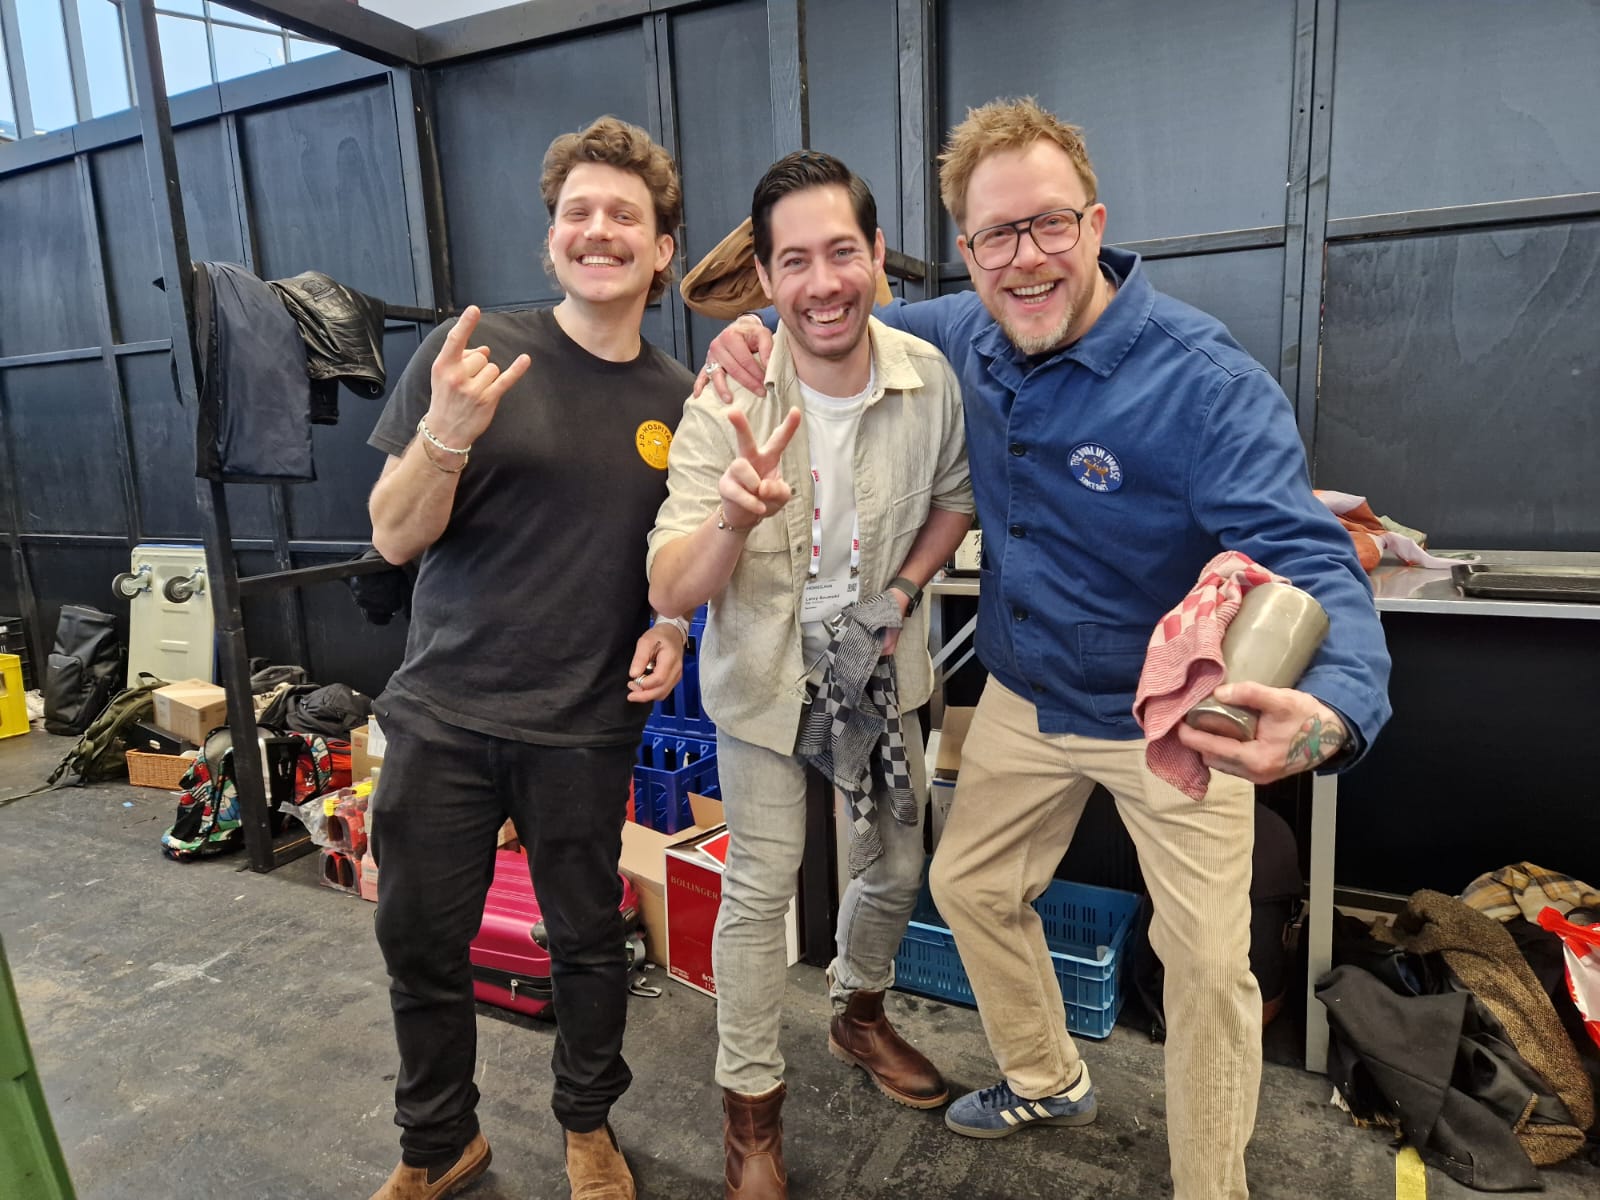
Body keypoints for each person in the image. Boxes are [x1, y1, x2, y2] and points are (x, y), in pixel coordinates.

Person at [698, 99, 1392, 1200]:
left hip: (1165, 718)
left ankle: (1211, 1188)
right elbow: (836, 313)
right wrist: (753, 334)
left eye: (1049, 225)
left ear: (1094, 223)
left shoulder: (1202, 382)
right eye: (996, 237)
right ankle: (1046, 1076)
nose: (1024, 259)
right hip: (1025, 698)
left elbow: (1307, 551)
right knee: (969, 883)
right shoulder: (965, 328)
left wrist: (1339, 704)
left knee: (1208, 968)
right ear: (965, 252)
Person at [364, 116, 696, 1200]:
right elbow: (392, 536)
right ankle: (437, 1142)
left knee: (588, 942)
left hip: (585, 726)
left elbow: (681, 552)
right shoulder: (472, 355)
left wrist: (673, 625)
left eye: (624, 215)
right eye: (576, 212)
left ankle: (588, 1125)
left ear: (661, 249)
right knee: (421, 943)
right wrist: (448, 431)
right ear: (553, 237)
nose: (598, 230)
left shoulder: (680, 398)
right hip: (445, 715)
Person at [648, 150, 973, 1200]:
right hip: (763, 676)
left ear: (877, 255)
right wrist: (732, 518)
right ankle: (751, 1113)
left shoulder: (925, 378)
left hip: (874, 668)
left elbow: (954, 500)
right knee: (760, 885)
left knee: (897, 862)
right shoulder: (727, 396)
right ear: (765, 276)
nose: (823, 282)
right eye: (795, 261)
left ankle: (858, 1013)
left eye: (842, 252)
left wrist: (905, 592)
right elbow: (669, 578)